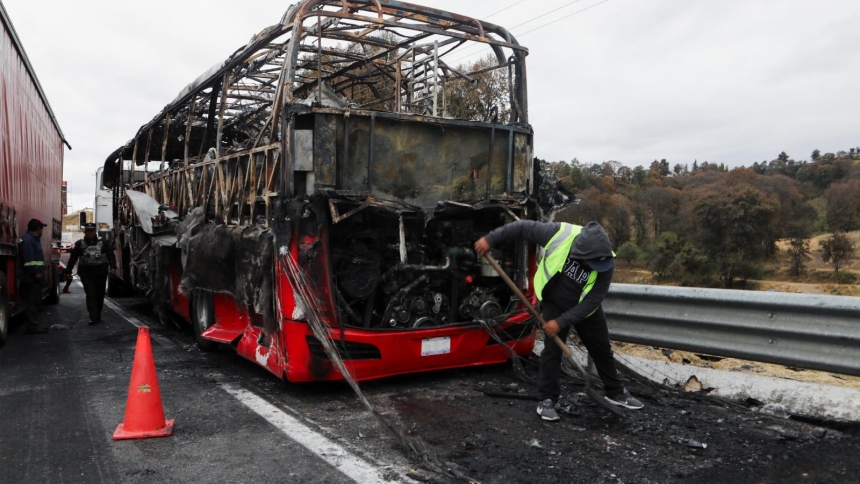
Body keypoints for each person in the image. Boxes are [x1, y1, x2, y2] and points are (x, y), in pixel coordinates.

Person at [474, 220, 643, 421]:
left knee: (602, 349)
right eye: (592, 262)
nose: (597, 266)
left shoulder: (606, 263)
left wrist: (561, 322)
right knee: (552, 351)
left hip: (585, 308)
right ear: (582, 254)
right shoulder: (558, 234)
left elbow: (591, 301)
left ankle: (615, 392)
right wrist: (490, 239)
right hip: (554, 300)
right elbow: (521, 228)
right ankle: (546, 399)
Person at [65, 223, 116, 325]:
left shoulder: (103, 243)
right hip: (86, 274)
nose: (90, 233)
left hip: (100, 273)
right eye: (88, 231)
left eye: (92, 231)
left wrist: (113, 267)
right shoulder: (79, 244)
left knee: (100, 295)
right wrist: (68, 271)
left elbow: (111, 255)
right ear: (85, 232)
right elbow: (73, 258)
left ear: (95, 231)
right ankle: (93, 317)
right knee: (91, 294)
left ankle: (97, 314)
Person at [18, 218, 50, 334]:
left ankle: (33, 324)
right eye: (42, 228)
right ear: (38, 229)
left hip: (31, 277)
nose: (42, 231)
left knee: (35, 301)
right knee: (31, 302)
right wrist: (36, 273)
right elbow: (29, 260)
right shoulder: (28, 240)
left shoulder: (31, 239)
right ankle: (32, 326)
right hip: (30, 278)